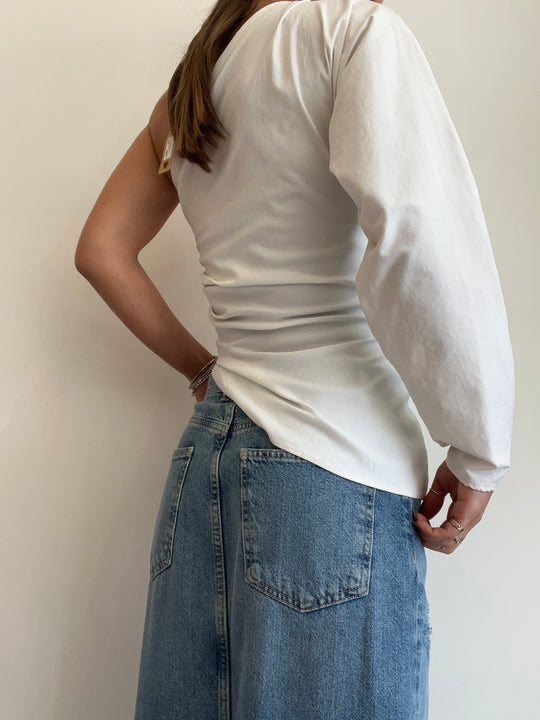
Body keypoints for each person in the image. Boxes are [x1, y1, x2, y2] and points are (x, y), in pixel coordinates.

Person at [74, 0, 515, 717]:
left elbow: (100, 249)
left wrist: (202, 370)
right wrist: (479, 451)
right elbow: (419, 238)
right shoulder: (349, 31)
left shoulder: (190, 89)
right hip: (332, 464)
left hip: (205, 462)